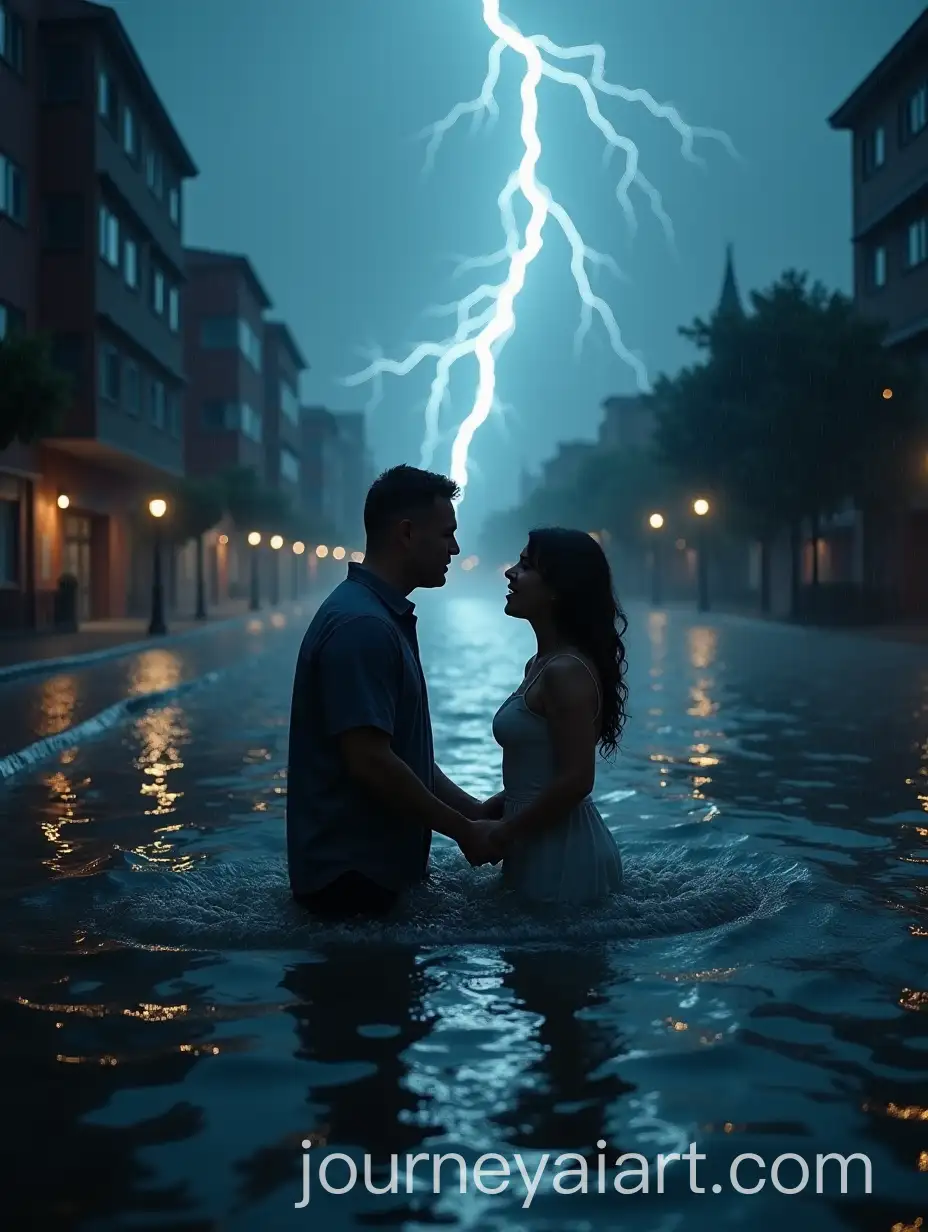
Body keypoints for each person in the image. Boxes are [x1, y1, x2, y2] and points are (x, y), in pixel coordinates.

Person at [286, 464, 501, 920]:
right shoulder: (364, 626)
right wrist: (463, 831)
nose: (455, 548)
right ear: (406, 533)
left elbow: (400, 754)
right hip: (352, 883)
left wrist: (474, 811)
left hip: (369, 877)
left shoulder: (375, 616)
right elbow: (371, 761)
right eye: (446, 534)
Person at [481, 527, 627, 904]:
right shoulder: (540, 665)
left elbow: (576, 780)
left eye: (526, 566)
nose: (510, 572)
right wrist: (484, 813)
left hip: (564, 853)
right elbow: (538, 776)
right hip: (537, 841)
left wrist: (503, 834)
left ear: (557, 589)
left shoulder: (565, 671)